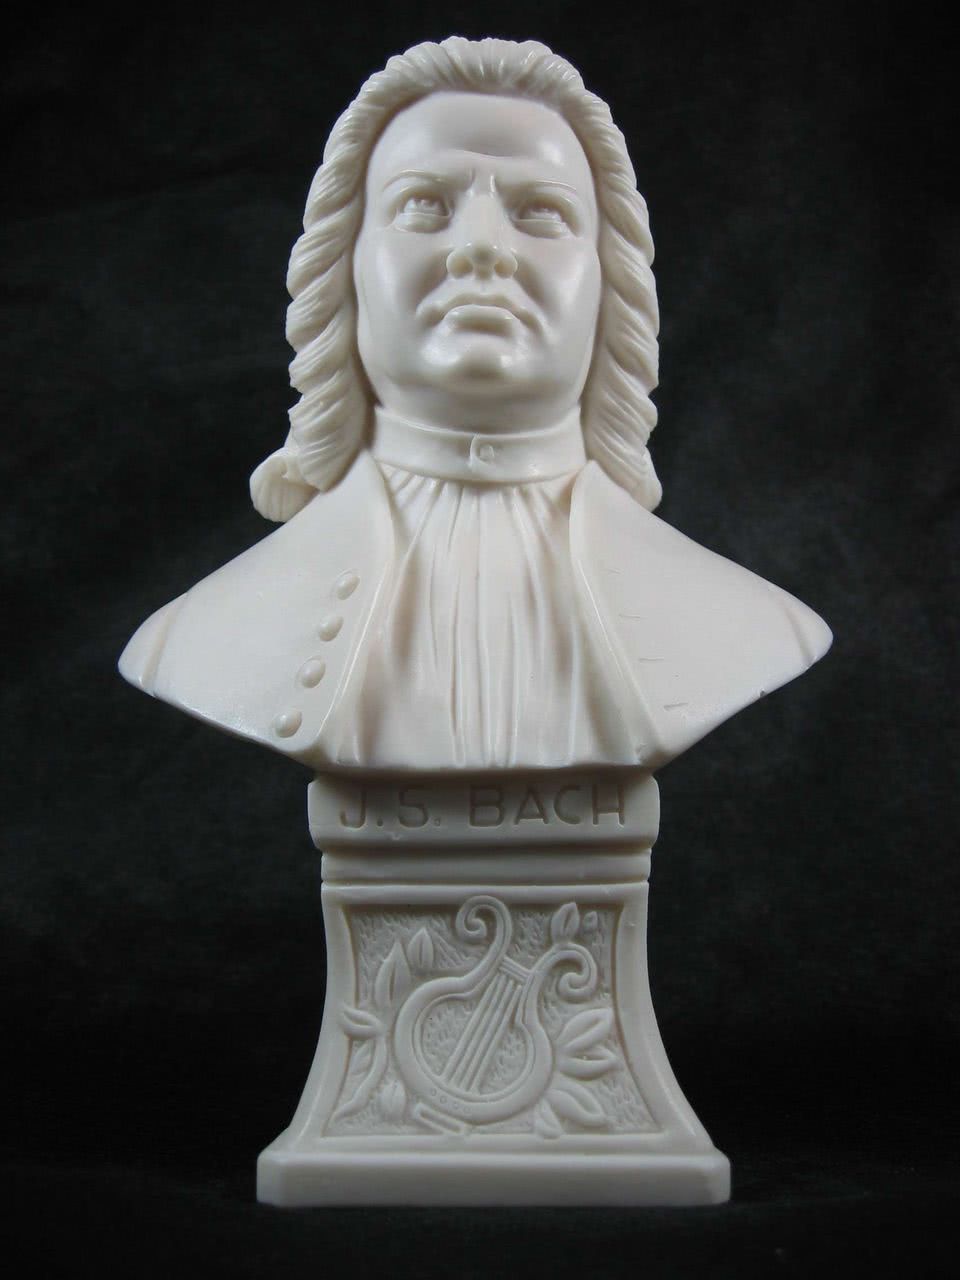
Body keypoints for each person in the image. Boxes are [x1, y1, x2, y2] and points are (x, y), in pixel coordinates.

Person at [120, 36, 830, 773]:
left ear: (610, 283)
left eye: (541, 211)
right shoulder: (196, 640)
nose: (483, 247)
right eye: (423, 205)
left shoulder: (754, 628)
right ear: (344, 269)